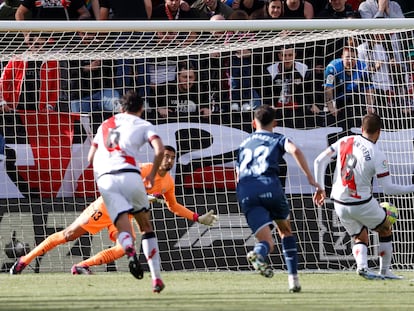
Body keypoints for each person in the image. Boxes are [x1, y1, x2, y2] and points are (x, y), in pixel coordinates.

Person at [10, 145, 218, 291]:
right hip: (108, 205)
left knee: (123, 248)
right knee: (69, 234)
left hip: (123, 216)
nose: (169, 160)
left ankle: (82, 266)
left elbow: (173, 206)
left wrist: (197, 217)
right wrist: (144, 197)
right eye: (165, 156)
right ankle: (24, 261)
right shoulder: (143, 169)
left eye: (172, 157)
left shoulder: (168, 183)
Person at [313, 112, 414, 280]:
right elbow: (388, 189)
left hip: (338, 202)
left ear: (361, 129)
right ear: (379, 132)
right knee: (386, 227)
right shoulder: (377, 154)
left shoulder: (345, 140)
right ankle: (385, 272)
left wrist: (319, 188)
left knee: (359, 235)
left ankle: (362, 267)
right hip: (361, 203)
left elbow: (318, 161)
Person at [235, 104, 322, 292]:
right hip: (270, 186)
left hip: (246, 191)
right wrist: (309, 177)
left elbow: (237, 173)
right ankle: (293, 280)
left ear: (253, 123)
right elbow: (295, 150)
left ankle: (258, 253)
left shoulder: (244, 144)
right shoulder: (278, 138)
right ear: (275, 123)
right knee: (285, 231)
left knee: (267, 243)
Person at [88, 90, 165, 292]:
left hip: (105, 178)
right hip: (129, 174)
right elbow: (160, 150)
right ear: (141, 109)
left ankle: (128, 249)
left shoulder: (105, 124)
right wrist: (151, 175)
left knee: (124, 230)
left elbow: (90, 158)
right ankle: (156, 279)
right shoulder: (143, 124)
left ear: (121, 108)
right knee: (145, 227)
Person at [0, 33, 69, 113]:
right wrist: (2, 101)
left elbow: (55, 87)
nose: (40, 47)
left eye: (42, 44)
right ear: (29, 44)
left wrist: (50, 105)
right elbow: (3, 81)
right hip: (17, 108)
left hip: (40, 110)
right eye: (36, 44)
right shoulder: (17, 60)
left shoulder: (52, 62)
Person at [323, 45, 374, 131]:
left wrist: (370, 105)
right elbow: (328, 89)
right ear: (342, 57)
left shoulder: (363, 68)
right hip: (337, 99)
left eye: (353, 58)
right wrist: (331, 107)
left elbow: (369, 89)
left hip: (354, 99)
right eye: (347, 57)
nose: (350, 61)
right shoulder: (332, 68)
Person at [263, 45, 313, 129]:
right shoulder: (271, 70)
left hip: (298, 108)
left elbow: (309, 89)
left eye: (290, 55)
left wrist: (312, 104)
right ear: (279, 56)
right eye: (284, 55)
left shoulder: (303, 69)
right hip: (277, 109)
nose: (287, 58)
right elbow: (266, 91)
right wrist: (270, 105)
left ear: (295, 55)